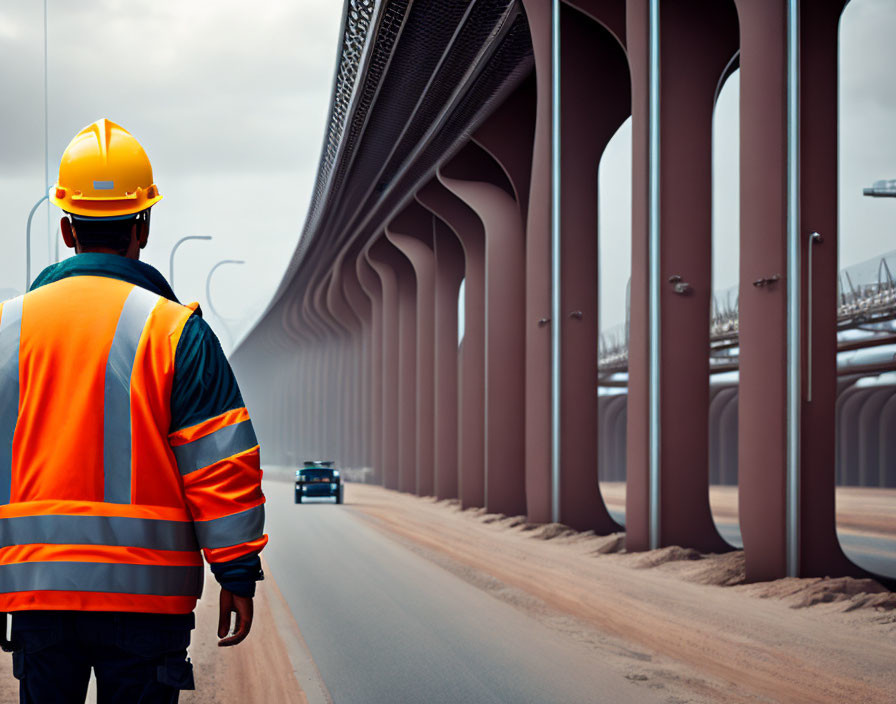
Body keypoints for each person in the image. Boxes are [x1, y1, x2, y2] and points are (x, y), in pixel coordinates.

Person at [0, 118, 267, 703]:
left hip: (39, 597)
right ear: (143, 226)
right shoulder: (177, 332)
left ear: (66, 229)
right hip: (148, 606)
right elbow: (221, 464)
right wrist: (236, 570)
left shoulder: (7, 330)